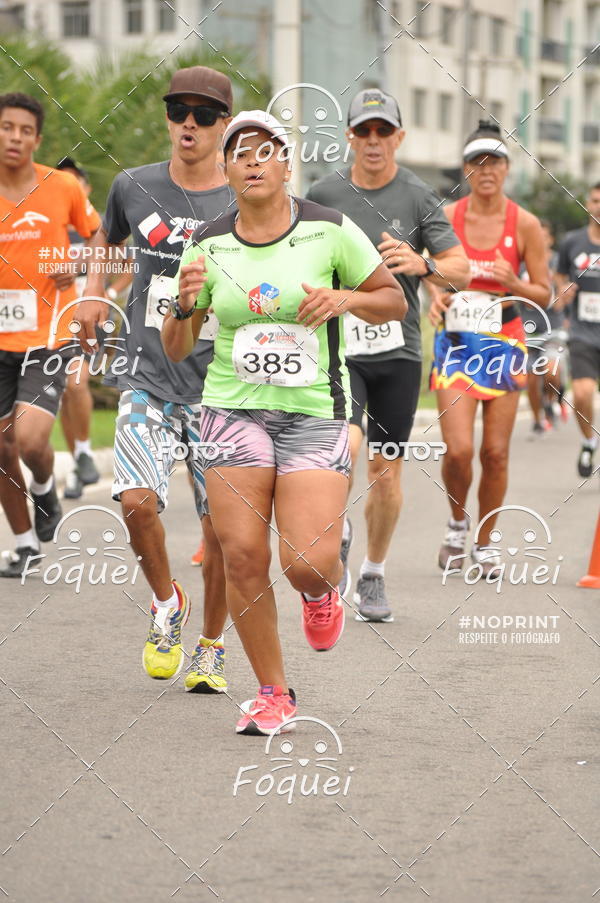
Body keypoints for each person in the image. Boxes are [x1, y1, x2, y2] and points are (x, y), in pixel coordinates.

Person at [163, 110, 407, 735]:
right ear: (225, 169)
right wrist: (183, 305)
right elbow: (176, 347)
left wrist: (345, 298)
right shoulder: (207, 244)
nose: (253, 161)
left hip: (313, 412)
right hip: (231, 411)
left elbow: (393, 300)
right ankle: (273, 692)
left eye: (266, 150)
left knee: (305, 562)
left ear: (286, 163)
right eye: (240, 152)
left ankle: (322, 590)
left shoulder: (329, 230)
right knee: (242, 554)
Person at [76, 67, 231, 691]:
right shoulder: (133, 185)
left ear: (224, 125)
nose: (188, 124)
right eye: (178, 111)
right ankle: (167, 604)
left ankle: (212, 646)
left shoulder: (245, 198)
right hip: (148, 377)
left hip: (223, 391)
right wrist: (92, 292)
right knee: (137, 504)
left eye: (204, 114)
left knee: (222, 534)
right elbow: (103, 237)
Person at [306, 88, 469, 620]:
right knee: (343, 451)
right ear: (350, 137)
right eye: (363, 131)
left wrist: (424, 264)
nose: (373, 141)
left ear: (399, 137)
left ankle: (373, 573)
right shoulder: (323, 193)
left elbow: (462, 269)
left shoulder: (419, 196)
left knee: (386, 468)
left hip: (398, 352)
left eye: (383, 131)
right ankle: (340, 530)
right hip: (339, 348)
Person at [429, 120, 550, 577]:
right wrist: (435, 295)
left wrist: (514, 282)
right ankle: (456, 525)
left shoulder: (526, 224)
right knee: (459, 449)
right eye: (476, 162)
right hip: (457, 343)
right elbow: (429, 271)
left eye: (494, 161)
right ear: (465, 169)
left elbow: (544, 293)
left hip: (504, 343)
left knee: (495, 452)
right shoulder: (447, 217)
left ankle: (485, 542)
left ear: (506, 168)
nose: (485, 170)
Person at [0, 92, 100, 578]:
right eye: (6, 127)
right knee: (2, 448)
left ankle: (43, 486)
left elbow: (101, 236)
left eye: (25, 130)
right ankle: (24, 545)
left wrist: (79, 267)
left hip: (48, 334)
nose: (14, 137)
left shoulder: (61, 186)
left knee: (30, 440)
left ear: (37, 140)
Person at [55, 156, 102, 498]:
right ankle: (78, 463)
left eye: (74, 181)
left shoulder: (96, 225)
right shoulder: (46, 222)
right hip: (51, 318)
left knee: (76, 381)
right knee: (62, 394)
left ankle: (84, 452)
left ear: (85, 187)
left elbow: (125, 258)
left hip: (87, 316)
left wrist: (106, 293)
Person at [555, 184, 600, 477]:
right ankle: (588, 442)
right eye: (595, 200)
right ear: (587, 204)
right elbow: (559, 276)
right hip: (583, 332)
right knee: (582, 394)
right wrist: (563, 290)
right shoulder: (572, 242)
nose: (599, 206)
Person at [522, 220, 568, 437]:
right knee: (531, 379)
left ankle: (552, 399)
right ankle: (537, 419)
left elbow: (566, 289)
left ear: (551, 239)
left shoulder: (558, 261)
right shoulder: (521, 262)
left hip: (553, 328)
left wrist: (561, 297)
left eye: (545, 236)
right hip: (528, 329)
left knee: (551, 371)